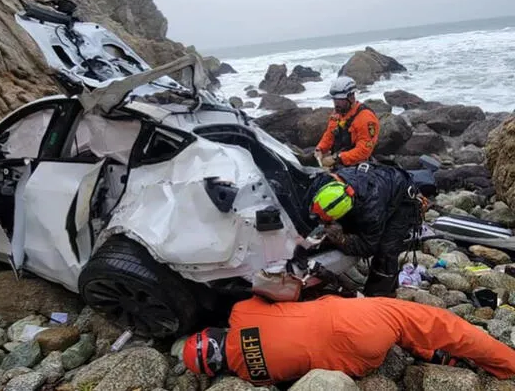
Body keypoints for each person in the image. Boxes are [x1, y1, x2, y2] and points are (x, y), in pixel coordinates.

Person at [180, 295, 515, 386]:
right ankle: (507, 365)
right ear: (213, 334)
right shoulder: (241, 313)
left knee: (397, 334)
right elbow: (283, 292)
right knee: (440, 323)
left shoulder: (250, 375)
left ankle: (434, 356)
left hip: (361, 364)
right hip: (357, 321)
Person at [299, 161, 423, 297]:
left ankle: (379, 296)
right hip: (377, 183)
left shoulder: (371, 213)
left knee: (386, 251)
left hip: (402, 198)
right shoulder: (324, 182)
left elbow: (368, 247)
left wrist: (341, 239)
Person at [315, 76, 380, 168]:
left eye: (340, 100)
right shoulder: (337, 114)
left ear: (351, 97)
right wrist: (320, 149)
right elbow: (329, 135)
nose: (336, 104)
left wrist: (337, 158)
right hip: (339, 159)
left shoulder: (365, 118)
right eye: (335, 100)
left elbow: (364, 151)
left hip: (358, 165)